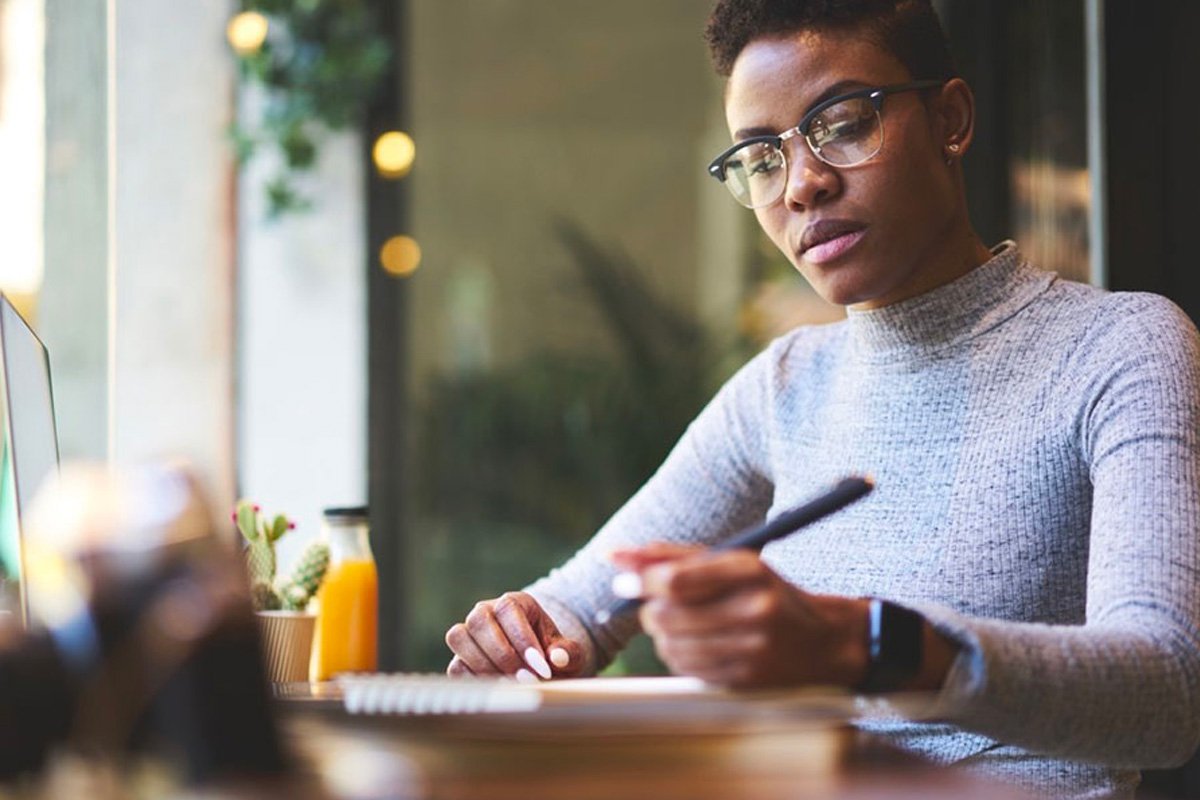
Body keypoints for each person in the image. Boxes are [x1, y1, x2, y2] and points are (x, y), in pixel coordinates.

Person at [443, 1, 1200, 797]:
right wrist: (521, 637)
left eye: (841, 123)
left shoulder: (1120, 349)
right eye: (760, 157)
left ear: (950, 117)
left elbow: (1167, 692)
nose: (802, 185)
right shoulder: (786, 386)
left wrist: (860, 642)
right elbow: (581, 609)